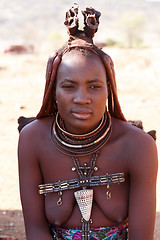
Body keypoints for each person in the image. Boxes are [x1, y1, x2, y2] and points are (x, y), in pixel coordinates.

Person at [18, 5, 158, 240]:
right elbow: (36, 230)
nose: (82, 99)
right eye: (68, 86)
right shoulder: (33, 139)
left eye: (94, 86)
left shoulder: (139, 146)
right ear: (53, 90)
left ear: (109, 90)